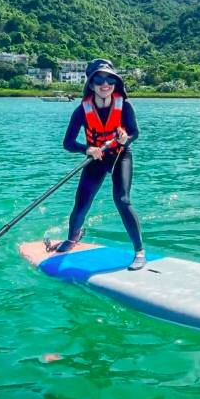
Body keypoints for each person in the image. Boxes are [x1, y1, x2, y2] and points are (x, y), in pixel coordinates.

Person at [57, 59, 146, 271]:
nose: (105, 84)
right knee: (81, 204)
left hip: (120, 156)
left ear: (116, 84)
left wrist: (126, 139)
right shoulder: (81, 111)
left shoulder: (125, 106)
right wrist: (86, 150)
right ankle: (72, 239)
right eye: (99, 80)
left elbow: (135, 133)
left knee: (122, 199)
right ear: (91, 84)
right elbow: (67, 143)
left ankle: (140, 252)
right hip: (95, 159)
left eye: (110, 80)